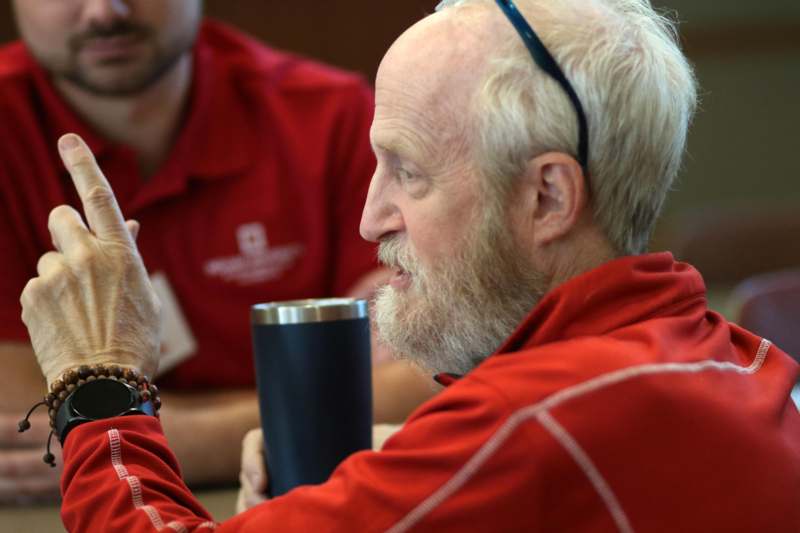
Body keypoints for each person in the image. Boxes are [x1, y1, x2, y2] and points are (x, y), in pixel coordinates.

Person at [19, 0, 800, 530]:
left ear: (548, 197)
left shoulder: (533, 425)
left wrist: (100, 379)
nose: (370, 218)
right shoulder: (732, 354)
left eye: (409, 171)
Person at [0, 0, 434, 502]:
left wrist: (166, 437)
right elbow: (18, 415)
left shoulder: (328, 115)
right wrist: (297, 412)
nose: (105, 11)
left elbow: (431, 372)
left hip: (287, 489)